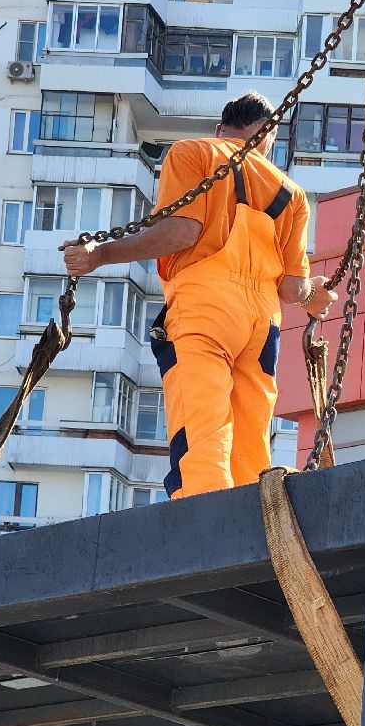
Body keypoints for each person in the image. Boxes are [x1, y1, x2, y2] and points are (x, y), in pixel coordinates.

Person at [60, 92, 335, 497]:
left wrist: (99, 255)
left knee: (203, 429)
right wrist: (315, 295)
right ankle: (258, 527)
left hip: (206, 306)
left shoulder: (195, 152)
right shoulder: (291, 194)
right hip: (262, 325)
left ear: (222, 129)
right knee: (251, 438)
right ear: (267, 138)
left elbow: (182, 231)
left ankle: (207, 528)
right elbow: (292, 287)